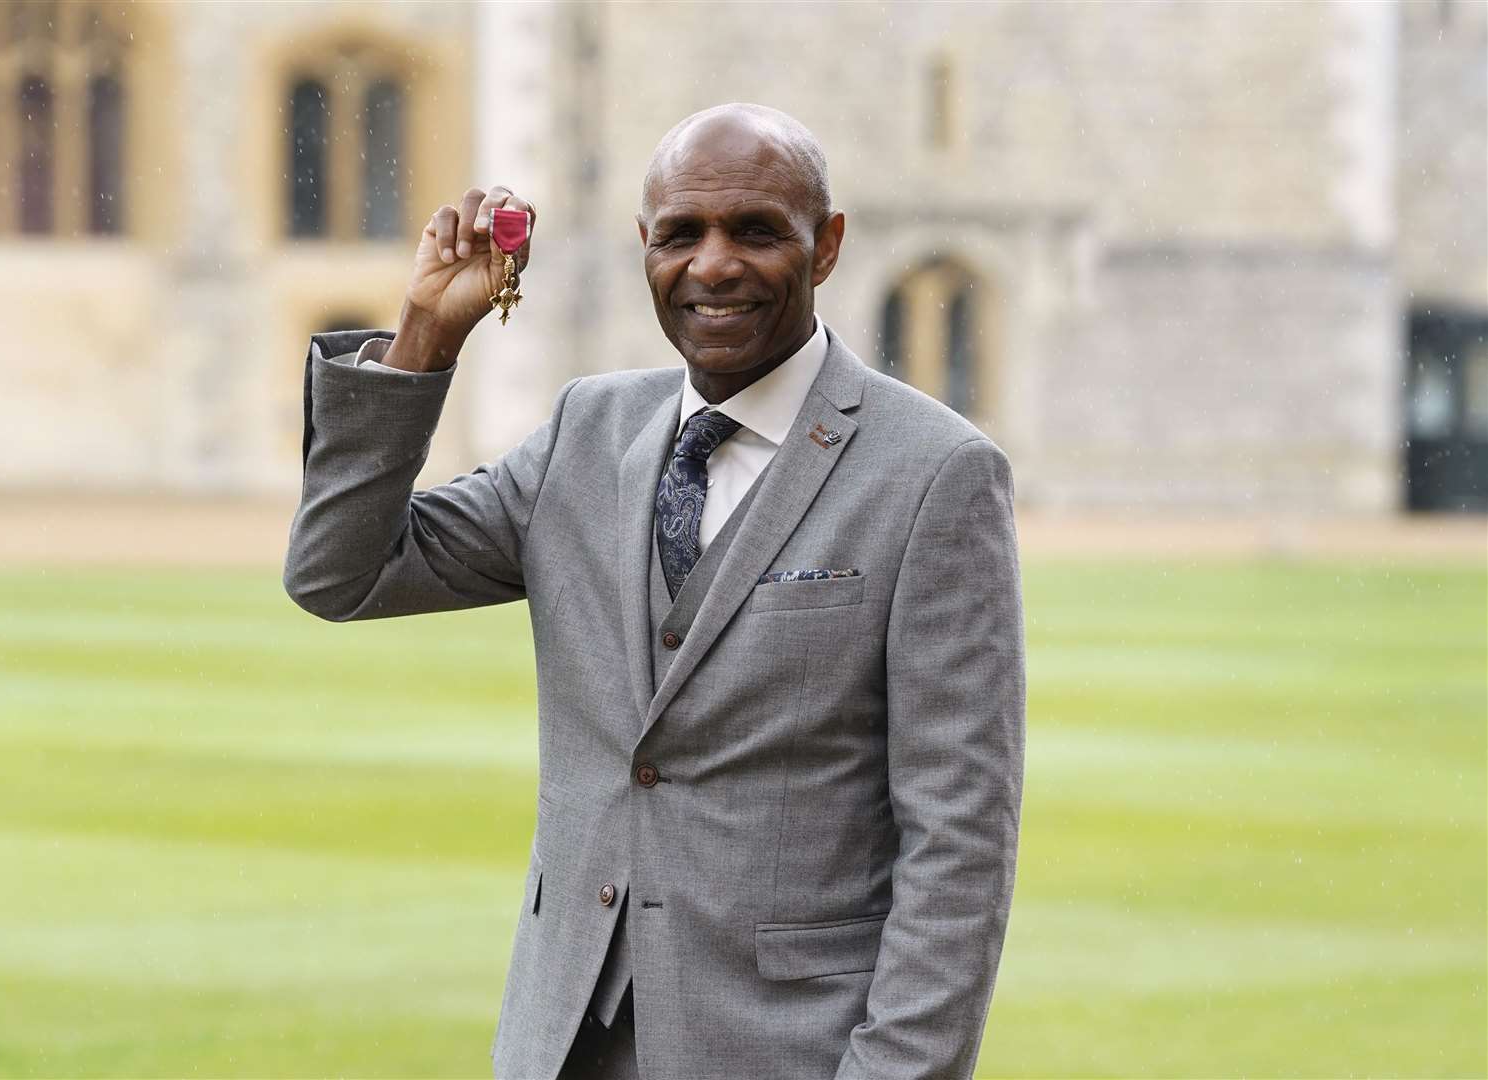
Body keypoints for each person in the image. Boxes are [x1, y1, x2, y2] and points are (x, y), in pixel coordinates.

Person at [284, 102, 1026, 1080]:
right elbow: (343, 573)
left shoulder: (937, 473)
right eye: (681, 234)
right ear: (646, 247)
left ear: (828, 245)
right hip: (561, 1043)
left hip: (787, 1053)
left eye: (756, 231)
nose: (713, 265)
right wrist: (426, 335)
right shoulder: (585, 432)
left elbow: (959, 843)